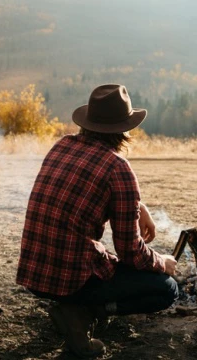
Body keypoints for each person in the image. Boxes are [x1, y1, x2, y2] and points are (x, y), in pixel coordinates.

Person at [16, 84, 179, 358]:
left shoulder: (62, 145)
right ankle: (83, 312)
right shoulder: (118, 167)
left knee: (112, 263)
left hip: (36, 274)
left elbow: (89, 188)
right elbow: (130, 253)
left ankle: (73, 309)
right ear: (124, 130)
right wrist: (163, 262)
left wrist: (141, 207)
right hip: (69, 278)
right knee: (166, 289)